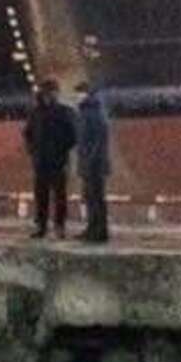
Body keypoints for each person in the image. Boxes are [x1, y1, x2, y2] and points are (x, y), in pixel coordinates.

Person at [22, 80, 78, 240]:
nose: (50, 95)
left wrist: (62, 149)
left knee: (59, 195)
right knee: (41, 195)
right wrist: (33, 151)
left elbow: (73, 135)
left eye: (52, 91)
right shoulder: (36, 112)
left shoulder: (64, 112)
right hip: (41, 161)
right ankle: (41, 226)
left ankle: (59, 226)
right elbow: (27, 134)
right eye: (48, 92)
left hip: (58, 160)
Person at [75, 81, 111, 244]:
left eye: (79, 93)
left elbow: (97, 139)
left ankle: (98, 230)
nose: (77, 96)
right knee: (91, 197)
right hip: (91, 162)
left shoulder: (92, 112)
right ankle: (93, 228)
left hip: (93, 164)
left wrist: (89, 160)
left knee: (95, 197)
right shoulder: (90, 111)